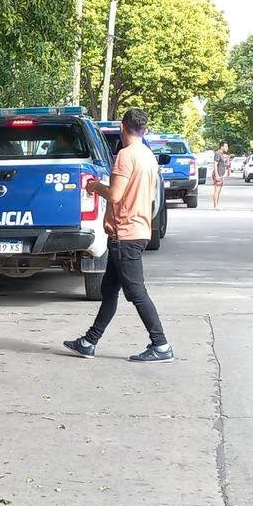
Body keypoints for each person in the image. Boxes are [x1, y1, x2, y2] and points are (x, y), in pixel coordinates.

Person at [63, 108, 173, 363]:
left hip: (126, 233)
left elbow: (114, 194)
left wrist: (94, 186)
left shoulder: (126, 156)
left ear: (123, 127)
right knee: (109, 290)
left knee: (136, 293)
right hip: (133, 230)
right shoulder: (147, 155)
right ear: (143, 129)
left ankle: (161, 344)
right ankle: (89, 341)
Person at [211, 140, 229, 210]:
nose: (227, 148)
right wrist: (217, 175)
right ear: (222, 147)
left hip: (221, 174)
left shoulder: (221, 154)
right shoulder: (218, 153)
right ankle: (215, 206)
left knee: (219, 190)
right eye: (226, 146)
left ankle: (217, 205)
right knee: (217, 190)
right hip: (218, 174)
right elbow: (215, 164)